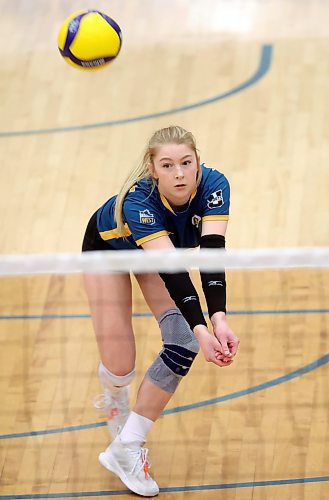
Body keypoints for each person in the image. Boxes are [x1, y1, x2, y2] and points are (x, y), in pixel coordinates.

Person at [82, 125, 240, 497]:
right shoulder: (139, 202)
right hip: (109, 253)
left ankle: (127, 446)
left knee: (182, 340)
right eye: (167, 165)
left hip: (158, 251)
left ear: (199, 162)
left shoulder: (215, 186)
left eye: (186, 163)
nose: (179, 173)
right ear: (153, 169)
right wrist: (203, 330)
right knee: (121, 367)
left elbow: (212, 254)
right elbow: (173, 271)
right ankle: (115, 399)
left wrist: (217, 319)